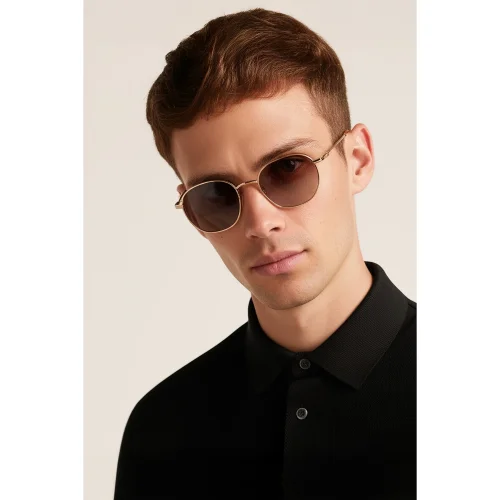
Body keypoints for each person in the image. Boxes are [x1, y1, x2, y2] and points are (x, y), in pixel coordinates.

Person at [113, 7, 416, 500]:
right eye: (217, 195)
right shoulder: (162, 431)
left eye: (288, 168)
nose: (260, 223)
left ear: (357, 160)